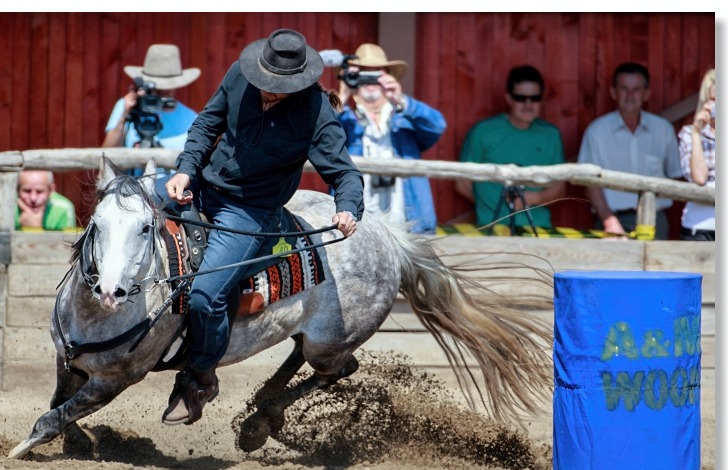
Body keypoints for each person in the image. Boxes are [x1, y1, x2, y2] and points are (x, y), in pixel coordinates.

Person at [162, 29, 364, 426]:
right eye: (264, 84)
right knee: (128, 215)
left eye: (277, 89)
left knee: (206, 294)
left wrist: (347, 209)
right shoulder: (239, 76)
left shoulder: (316, 113)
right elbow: (206, 126)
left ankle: (199, 379)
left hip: (250, 211)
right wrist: (185, 171)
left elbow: (343, 172)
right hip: (202, 185)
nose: (267, 92)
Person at [336, 43, 445, 234]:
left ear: (388, 76)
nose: (370, 82)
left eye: (376, 74)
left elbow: (437, 126)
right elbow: (316, 136)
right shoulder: (343, 119)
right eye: (363, 74)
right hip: (360, 226)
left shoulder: (406, 117)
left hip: (409, 222)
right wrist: (342, 95)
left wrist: (400, 99)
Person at [577, 62, 683, 239]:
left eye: (636, 89)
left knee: (656, 267)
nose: (630, 95)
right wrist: (609, 220)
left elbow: (675, 175)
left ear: (646, 93)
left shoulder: (663, 129)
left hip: (655, 221)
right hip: (612, 220)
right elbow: (589, 182)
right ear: (613, 92)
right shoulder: (597, 131)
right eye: (624, 89)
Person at [455, 65, 565, 232]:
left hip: (538, 230)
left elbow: (559, 187)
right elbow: (462, 183)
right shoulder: (484, 131)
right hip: (492, 230)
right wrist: (491, 203)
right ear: (509, 98)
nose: (528, 104)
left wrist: (535, 197)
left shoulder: (551, 135)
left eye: (534, 98)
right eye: (521, 98)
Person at [102, 44, 200, 151]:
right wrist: (124, 116)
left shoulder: (193, 120)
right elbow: (107, 154)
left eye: (167, 86)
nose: (162, 90)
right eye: (157, 86)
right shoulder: (128, 106)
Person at [677, 69, 715, 241]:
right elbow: (699, 178)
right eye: (714, 100)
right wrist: (696, 133)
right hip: (700, 227)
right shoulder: (688, 134)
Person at [0, 170, 75, 230]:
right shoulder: (3, 206)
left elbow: (65, 252)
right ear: (17, 190)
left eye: (39, 191)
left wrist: (35, 229)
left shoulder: (63, 208)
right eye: (27, 191)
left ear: (51, 190)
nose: (33, 198)